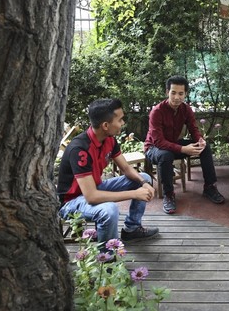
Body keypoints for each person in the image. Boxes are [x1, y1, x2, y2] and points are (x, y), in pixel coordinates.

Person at [57, 98, 159, 245]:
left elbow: (126, 168)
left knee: (143, 178)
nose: (123, 123)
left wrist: (143, 183)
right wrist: (135, 194)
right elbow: (91, 197)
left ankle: (132, 229)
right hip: (72, 202)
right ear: (105, 125)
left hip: (95, 188)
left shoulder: (109, 139)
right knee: (109, 210)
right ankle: (108, 259)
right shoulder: (80, 149)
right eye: (120, 120)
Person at [144, 75, 225, 214]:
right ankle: (169, 194)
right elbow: (158, 141)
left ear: (185, 94)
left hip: (172, 144)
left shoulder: (186, 109)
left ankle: (209, 187)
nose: (177, 97)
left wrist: (199, 140)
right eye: (173, 93)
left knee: (204, 148)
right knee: (165, 155)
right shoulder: (157, 112)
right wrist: (183, 149)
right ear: (167, 92)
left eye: (181, 93)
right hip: (154, 148)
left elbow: (194, 129)